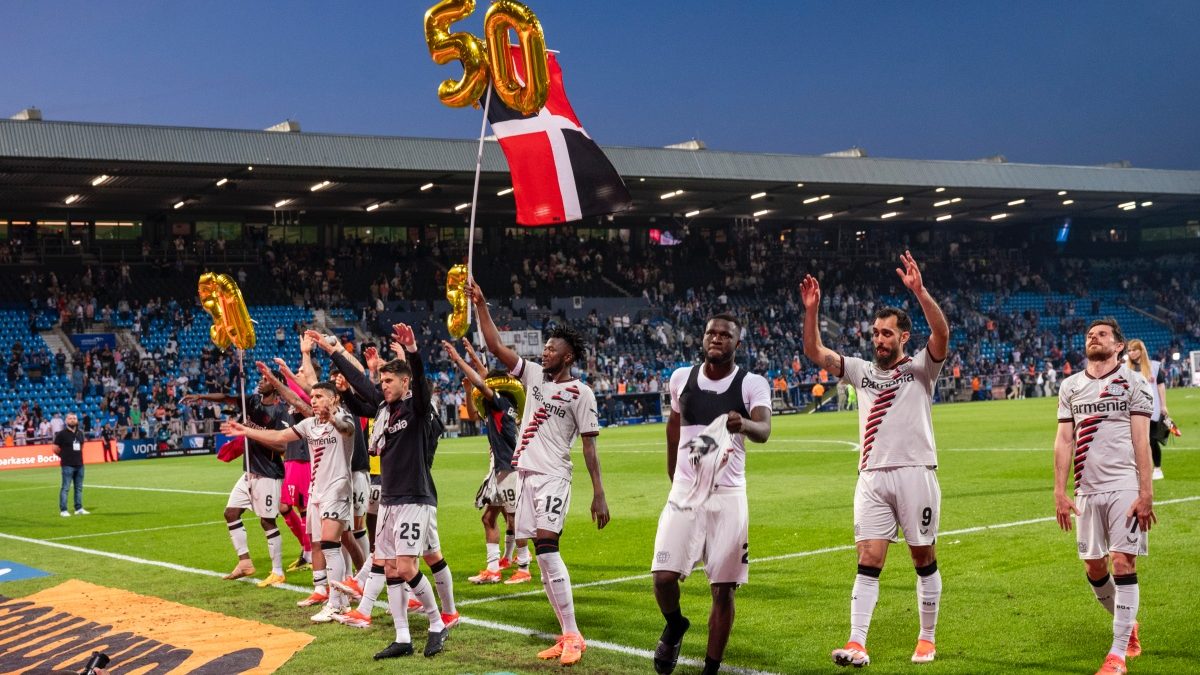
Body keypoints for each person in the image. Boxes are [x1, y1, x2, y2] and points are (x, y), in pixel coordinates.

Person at [801, 251, 950, 667]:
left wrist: (920, 292)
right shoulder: (861, 370)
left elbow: (942, 332)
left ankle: (926, 638)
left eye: (887, 334)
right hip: (871, 478)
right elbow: (815, 350)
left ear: (904, 337)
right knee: (868, 559)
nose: (879, 340)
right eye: (876, 333)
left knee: (923, 557)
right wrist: (812, 311)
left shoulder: (922, 368)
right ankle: (857, 642)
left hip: (915, 474)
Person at [470, 279, 610, 667]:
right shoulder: (532, 377)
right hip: (527, 477)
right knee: (541, 556)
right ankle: (567, 634)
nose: (545, 352)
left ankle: (573, 635)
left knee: (548, 549)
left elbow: (589, 446)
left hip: (554, 477)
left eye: (552, 349)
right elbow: (497, 347)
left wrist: (598, 493)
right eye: (545, 347)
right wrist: (482, 304)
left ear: (567, 358)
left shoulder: (581, 393)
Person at [319, 324, 452, 659]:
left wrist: (414, 353)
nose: (383, 386)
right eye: (383, 382)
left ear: (404, 382)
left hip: (413, 498)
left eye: (389, 381)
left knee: (407, 567)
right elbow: (363, 384)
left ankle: (437, 623)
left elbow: (420, 383)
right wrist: (334, 352)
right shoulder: (387, 409)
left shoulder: (416, 408)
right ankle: (402, 637)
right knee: (391, 569)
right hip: (391, 500)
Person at [650, 314, 772, 675]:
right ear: (702, 339)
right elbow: (674, 427)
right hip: (686, 492)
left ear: (738, 343)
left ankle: (710, 670)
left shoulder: (751, 384)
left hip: (728, 494)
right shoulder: (680, 378)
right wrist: (674, 473)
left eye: (725, 335)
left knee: (723, 590)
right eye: (711, 333)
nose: (716, 339)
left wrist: (744, 423)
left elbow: (764, 429)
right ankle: (675, 625)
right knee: (663, 577)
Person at [1055, 319, 1155, 675]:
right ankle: (1129, 624)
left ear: (1117, 346)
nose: (1093, 338)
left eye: (1101, 335)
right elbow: (1064, 440)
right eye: (1089, 335)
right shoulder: (1070, 386)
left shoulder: (1134, 383)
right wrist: (1059, 490)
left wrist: (1146, 493)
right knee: (1094, 567)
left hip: (1124, 485)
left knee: (1123, 563)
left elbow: (1142, 440)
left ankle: (1117, 655)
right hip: (1086, 489)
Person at [224, 380, 357, 623]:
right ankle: (331, 596)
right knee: (319, 543)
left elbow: (346, 430)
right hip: (316, 491)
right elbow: (278, 435)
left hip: (337, 490)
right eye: (313, 397)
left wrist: (333, 418)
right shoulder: (309, 424)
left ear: (334, 399)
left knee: (330, 544)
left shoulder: (344, 418)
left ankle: (338, 603)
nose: (314, 400)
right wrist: (245, 431)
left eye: (319, 396)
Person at [182, 374, 288, 585]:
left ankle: (277, 571)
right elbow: (226, 398)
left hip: (269, 473)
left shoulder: (280, 412)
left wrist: (253, 433)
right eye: (259, 378)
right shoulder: (252, 402)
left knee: (267, 521)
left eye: (265, 379)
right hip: (249, 473)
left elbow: (283, 446)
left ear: (276, 385)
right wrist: (201, 395)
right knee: (230, 513)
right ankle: (245, 563)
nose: (259, 381)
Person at [442, 338, 532, 585]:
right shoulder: (504, 406)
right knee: (489, 518)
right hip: (501, 468)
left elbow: (483, 383)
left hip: (509, 468)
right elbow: (485, 380)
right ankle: (493, 568)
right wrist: (472, 354)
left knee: (514, 518)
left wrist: (459, 360)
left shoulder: (501, 403)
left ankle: (523, 566)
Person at [1124, 339, 1169, 480]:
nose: (1131, 353)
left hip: (1152, 410)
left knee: (1151, 440)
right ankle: (1139, 469)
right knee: (1134, 441)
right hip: (1132, 410)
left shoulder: (1154, 367)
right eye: (1129, 350)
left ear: (1141, 350)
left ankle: (1157, 468)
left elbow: (1160, 386)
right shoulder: (1125, 369)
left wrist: (1163, 405)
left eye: (1134, 350)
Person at [54, 413, 88, 517]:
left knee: (79, 488)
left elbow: (82, 446)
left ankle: (79, 508)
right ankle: (63, 510)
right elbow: (55, 449)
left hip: (79, 464)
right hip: (67, 465)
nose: (72, 420)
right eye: (70, 418)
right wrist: (64, 456)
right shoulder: (61, 434)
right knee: (65, 488)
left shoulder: (80, 433)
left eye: (74, 418)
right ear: (66, 421)